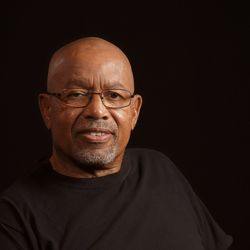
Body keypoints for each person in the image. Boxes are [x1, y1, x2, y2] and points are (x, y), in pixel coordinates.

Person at [0, 37, 232, 249]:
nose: (97, 111)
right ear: (47, 109)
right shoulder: (15, 217)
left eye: (114, 96)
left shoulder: (160, 170)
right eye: (77, 94)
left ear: (135, 111)